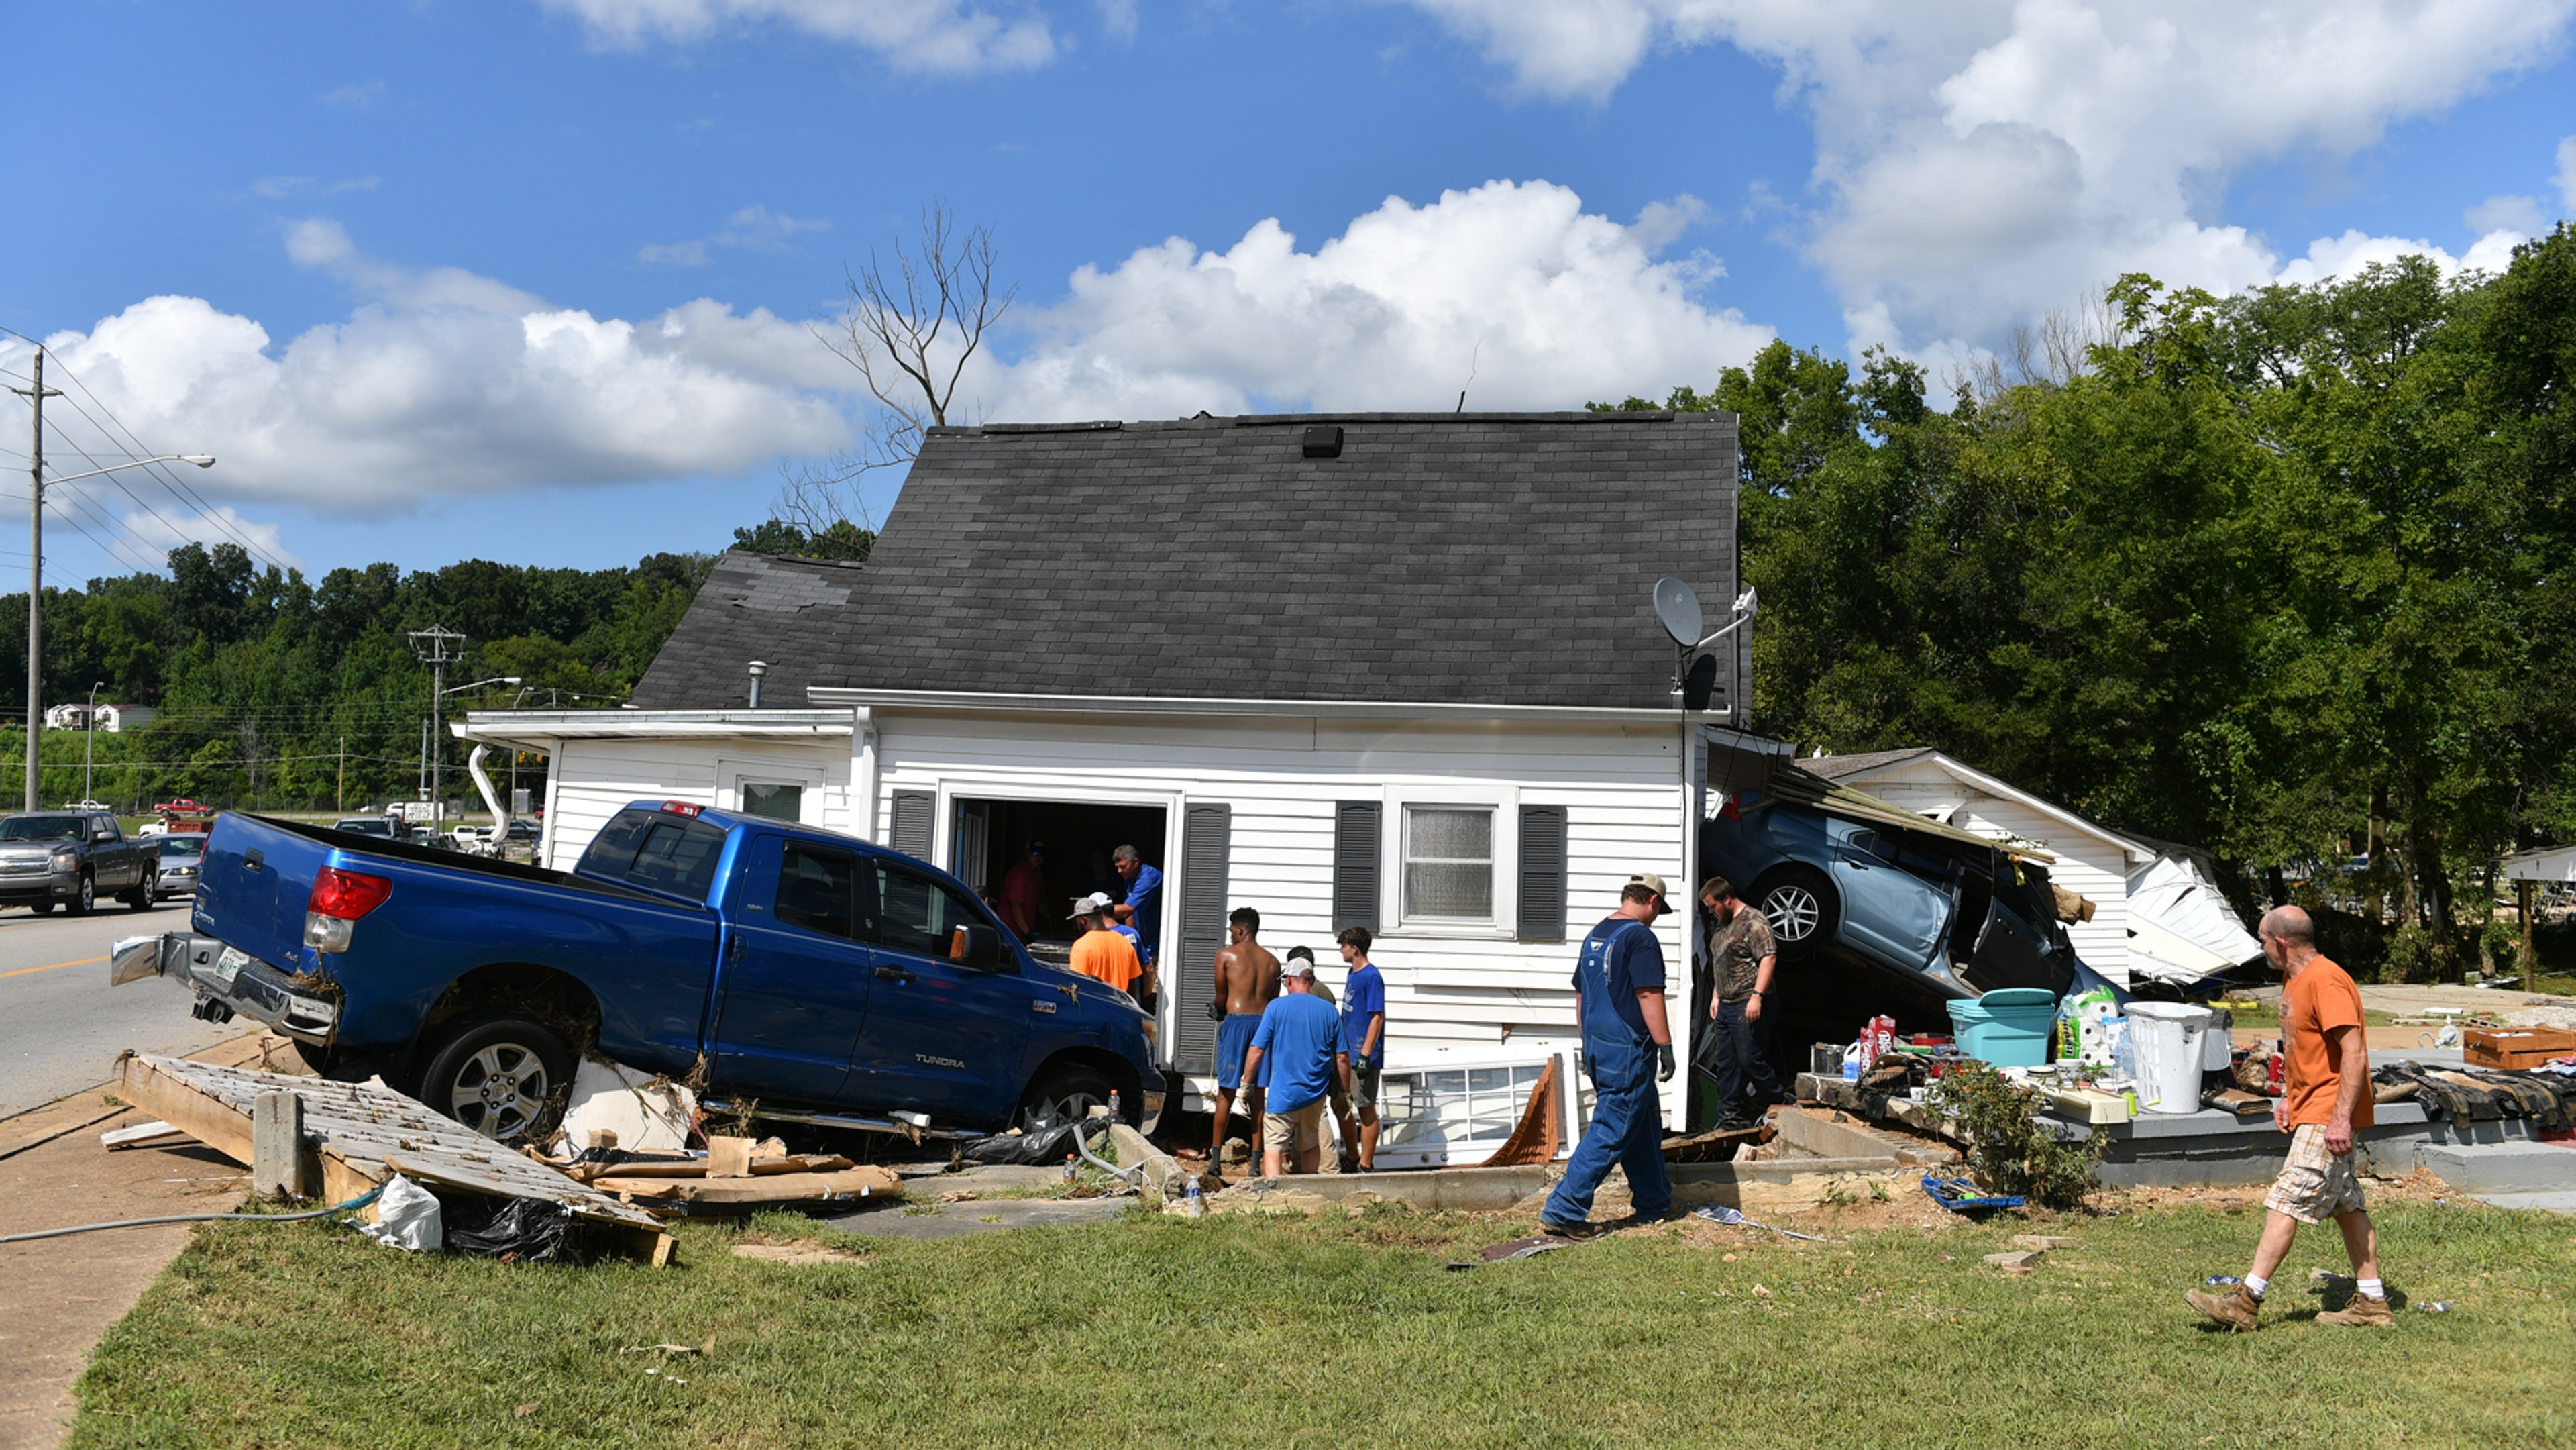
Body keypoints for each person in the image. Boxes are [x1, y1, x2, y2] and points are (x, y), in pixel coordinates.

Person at [2187, 904, 2393, 1331]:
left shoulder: (2327, 981)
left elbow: (2353, 1052)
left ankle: (2246, 1301)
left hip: (2328, 1114)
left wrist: (2339, 1119)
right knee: (2347, 1205)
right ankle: (2373, 1304)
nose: (2262, 949)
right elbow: (2307, 1049)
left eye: (2263, 941)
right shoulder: (2294, 978)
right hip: (2312, 1107)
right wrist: (2289, 1098)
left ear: (2281, 942)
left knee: (2285, 1200)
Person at [1540, 873, 1677, 1235]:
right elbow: (1648, 995)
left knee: (1642, 1123)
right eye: (1659, 910)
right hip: (1628, 1049)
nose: (1656, 917)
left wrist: (1589, 1044)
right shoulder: (1640, 937)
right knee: (1612, 1129)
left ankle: (1654, 1201)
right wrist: (1665, 1045)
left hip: (1600, 1045)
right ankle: (1564, 1209)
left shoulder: (1596, 935)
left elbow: (1582, 996)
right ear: (1652, 901)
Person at [1240, 958, 1346, 1178]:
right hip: (1315, 1094)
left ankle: (1273, 1196)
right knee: (1310, 1144)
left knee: (1274, 1147)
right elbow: (1342, 1057)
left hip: (1283, 1094)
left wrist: (1246, 1084)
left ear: (1288, 981)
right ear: (1312, 981)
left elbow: (1257, 1049)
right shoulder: (1329, 1011)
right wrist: (1345, 1092)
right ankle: (1310, 1191)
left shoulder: (1276, 1008)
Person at [1701, 876, 1782, 1131]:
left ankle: (1779, 1101)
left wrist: (1757, 996)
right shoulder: (1722, 925)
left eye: (1713, 906)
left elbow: (1768, 958)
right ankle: (1731, 1116)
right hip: (1726, 1002)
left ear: (1727, 899)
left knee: (1750, 1059)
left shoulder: (1754, 923)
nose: (1711, 912)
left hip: (1749, 1000)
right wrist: (1716, 996)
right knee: (1726, 1063)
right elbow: (1721, 964)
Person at [1205, 907, 1281, 1165]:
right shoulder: (1272, 962)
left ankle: (1215, 1159)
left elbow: (1221, 998)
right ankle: (1256, 1162)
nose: (1231, 936)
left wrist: (1216, 1011)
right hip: (1262, 1024)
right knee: (1258, 1094)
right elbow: (1273, 1001)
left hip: (1236, 1022)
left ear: (1240, 930)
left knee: (1226, 1092)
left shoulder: (1225, 956)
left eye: (1232, 931)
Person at [1334, 927, 1387, 1172]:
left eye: (1343, 945)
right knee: (1345, 1104)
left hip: (1363, 1055)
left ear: (1354, 948)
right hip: (1347, 1053)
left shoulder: (1371, 976)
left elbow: (1377, 1017)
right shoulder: (1352, 973)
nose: (1341, 949)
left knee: (1366, 1107)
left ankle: (1366, 1164)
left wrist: (1365, 1054)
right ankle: (1353, 1157)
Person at [1111, 845, 1164, 1003]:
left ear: (1136, 862)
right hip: (1144, 941)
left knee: (1152, 992)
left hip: (1157, 942)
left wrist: (1097, 910)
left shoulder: (1149, 877)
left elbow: (1128, 908)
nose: (1120, 871)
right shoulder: (1129, 879)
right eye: (1117, 868)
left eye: (1123, 867)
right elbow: (1130, 914)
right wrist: (1132, 941)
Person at [1065, 894, 1142, 996]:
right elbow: (1132, 986)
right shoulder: (1124, 943)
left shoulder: (1082, 946)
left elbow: (1078, 985)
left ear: (1084, 921)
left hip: (1096, 1009)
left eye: (1077, 922)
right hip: (1120, 1009)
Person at [998, 841, 1045, 938]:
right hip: (1010, 931)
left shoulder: (1037, 873)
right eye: (1035, 853)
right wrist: (1028, 932)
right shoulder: (1019, 874)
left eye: (1041, 854)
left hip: (1023, 931)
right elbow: (1015, 905)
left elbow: (1039, 900)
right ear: (1027, 853)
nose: (1038, 857)